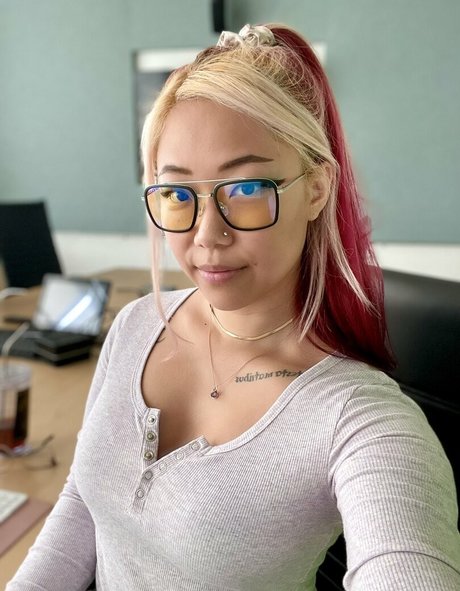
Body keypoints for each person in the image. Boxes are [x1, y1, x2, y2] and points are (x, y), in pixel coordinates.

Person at [7, 23, 460, 591]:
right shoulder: (136, 325)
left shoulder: (360, 419)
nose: (206, 235)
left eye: (246, 190)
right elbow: (83, 504)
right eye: (178, 194)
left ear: (317, 188)